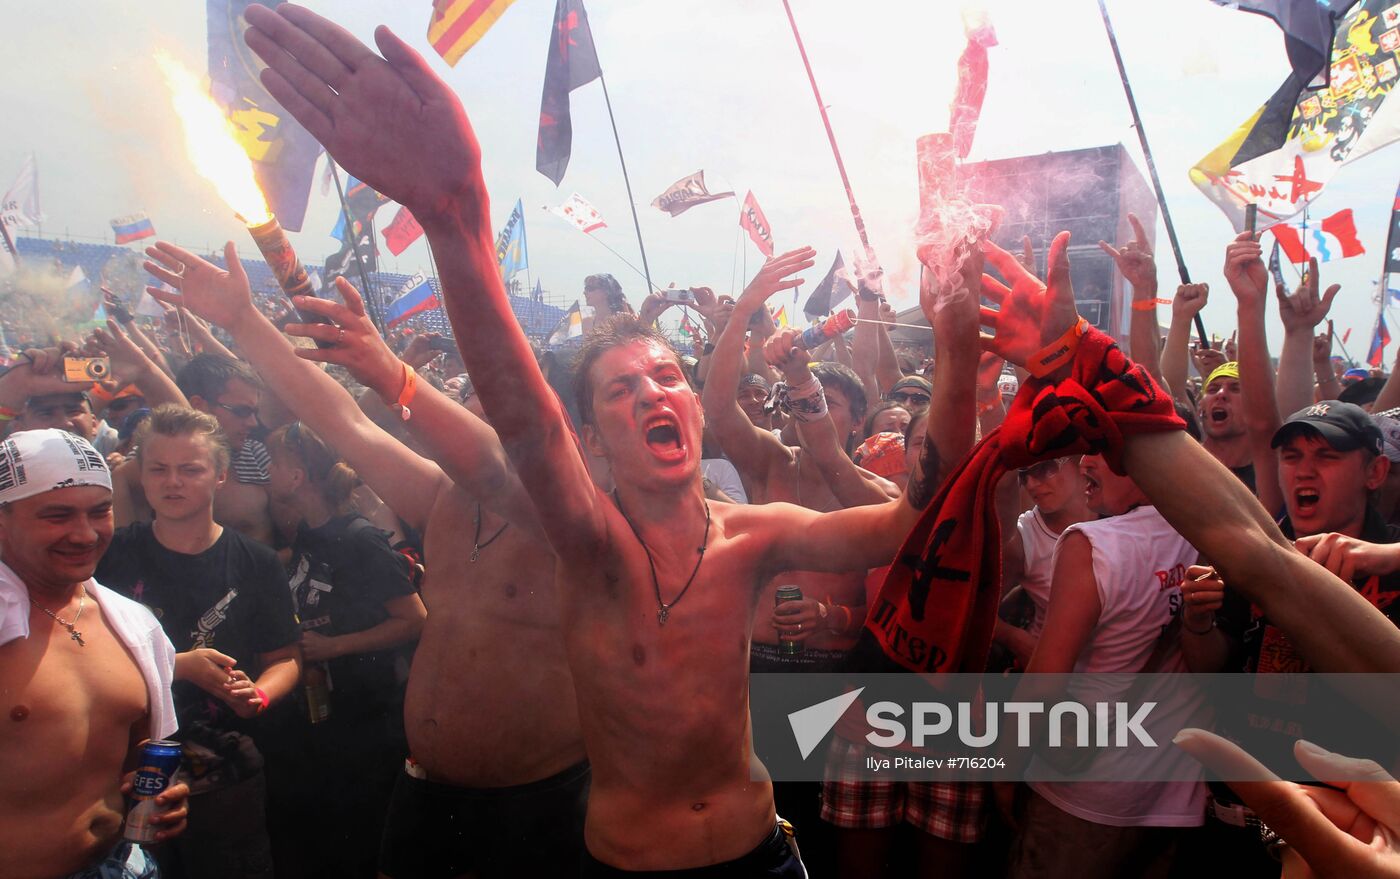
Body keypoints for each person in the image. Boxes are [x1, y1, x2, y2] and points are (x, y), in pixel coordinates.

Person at [242, 9, 980, 872]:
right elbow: (518, 424)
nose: (653, 393)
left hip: (758, 856)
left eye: (668, 377)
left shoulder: (755, 534)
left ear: (699, 411)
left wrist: (959, 348)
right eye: (622, 389)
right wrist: (456, 221)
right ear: (591, 434)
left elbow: (917, 519)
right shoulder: (590, 545)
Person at [140, 241, 590, 879]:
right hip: (425, 790)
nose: (478, 427)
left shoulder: (575, 530)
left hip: (535, 806)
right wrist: (243, 320)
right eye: (475, 410)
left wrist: (396, 371)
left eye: (499, 419)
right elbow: (344, 421)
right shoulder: (445, 501)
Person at [96, 404, 302, 879]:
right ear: (141, 476)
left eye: (190, 469)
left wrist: (262, 692)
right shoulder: (110, 556)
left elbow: (286, 656)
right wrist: (180, 665)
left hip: (225, 768)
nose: (173, 482)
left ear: (221, 476)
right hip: (123, 767)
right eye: (159, 469)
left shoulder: (256, 562)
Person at [1004, 454, 1207, 878]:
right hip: (1172, 795)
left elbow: (1044, 682)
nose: (1087, 461)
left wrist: (1002, 771)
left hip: (1082, 794)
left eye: (1104, 452)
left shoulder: (1093, 544)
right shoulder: (1206, 530)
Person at [0, 428, 190, 879]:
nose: (85, 534)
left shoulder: (131, 624)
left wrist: (167, 792)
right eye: (57, 515)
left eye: (99, 512)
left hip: (122, 864)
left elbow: (136, 752)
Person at [258, 419, 426, 878]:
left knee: (368, 837)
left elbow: (414, 619)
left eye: (274, 463)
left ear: (296, 476)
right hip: (333, 712)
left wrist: (335, 647)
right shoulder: (311, 534)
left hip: (373, 717)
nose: (266, 472)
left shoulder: (358, 538)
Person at [993, 455, 1092, 668]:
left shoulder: (1118, 508)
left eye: (1044, 468)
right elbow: (975, 608)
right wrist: (1016, 639)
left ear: (1080, 459)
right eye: (1023, 474)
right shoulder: (1022, 539)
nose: (1031, 484)